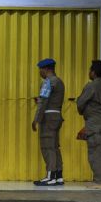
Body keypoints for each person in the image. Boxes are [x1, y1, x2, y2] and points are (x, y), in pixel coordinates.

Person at [76, 59, 101, 189]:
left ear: (93, 72)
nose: (89, 72)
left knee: (94, 153)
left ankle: (99, 181)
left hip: (94, 123)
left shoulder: (91, 86)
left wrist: (83, 111)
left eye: (90, 70)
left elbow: (80, 103)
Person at [32, 58, 65, 186]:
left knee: (47, 147)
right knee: (55, 147)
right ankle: (58, 176)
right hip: (57, 116)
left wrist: (36, 120)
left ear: (46, 69)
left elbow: (43, 102)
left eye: (40, 69)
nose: (40, 72)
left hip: (48, 118)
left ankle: (50, 176)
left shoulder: (47, 82)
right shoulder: (59, 82)